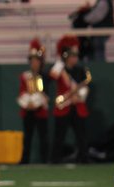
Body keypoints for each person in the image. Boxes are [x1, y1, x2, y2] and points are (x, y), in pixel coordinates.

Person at [50, 34, 90, 164]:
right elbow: (51, 77)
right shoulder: (60, 69)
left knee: (81, 134)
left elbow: (85, 88)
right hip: (64, 105)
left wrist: (79, 97)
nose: (75, 58)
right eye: (73, 55)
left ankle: (83, 158)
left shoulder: (80, 70)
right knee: (59, 135)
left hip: (77, 104)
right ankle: (55, 159)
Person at [17, 38, 50, 164]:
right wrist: (28, 104)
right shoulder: (25, 76)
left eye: (37, 61)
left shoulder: (44, 76)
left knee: (43, 136)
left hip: (41, 110)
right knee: (28, 137)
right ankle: (24, 159)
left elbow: (44, 94)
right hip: (28, 110)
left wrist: (37, 103)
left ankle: (45, 160)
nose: (34, 63)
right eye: (32, 61)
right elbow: (22, 92)